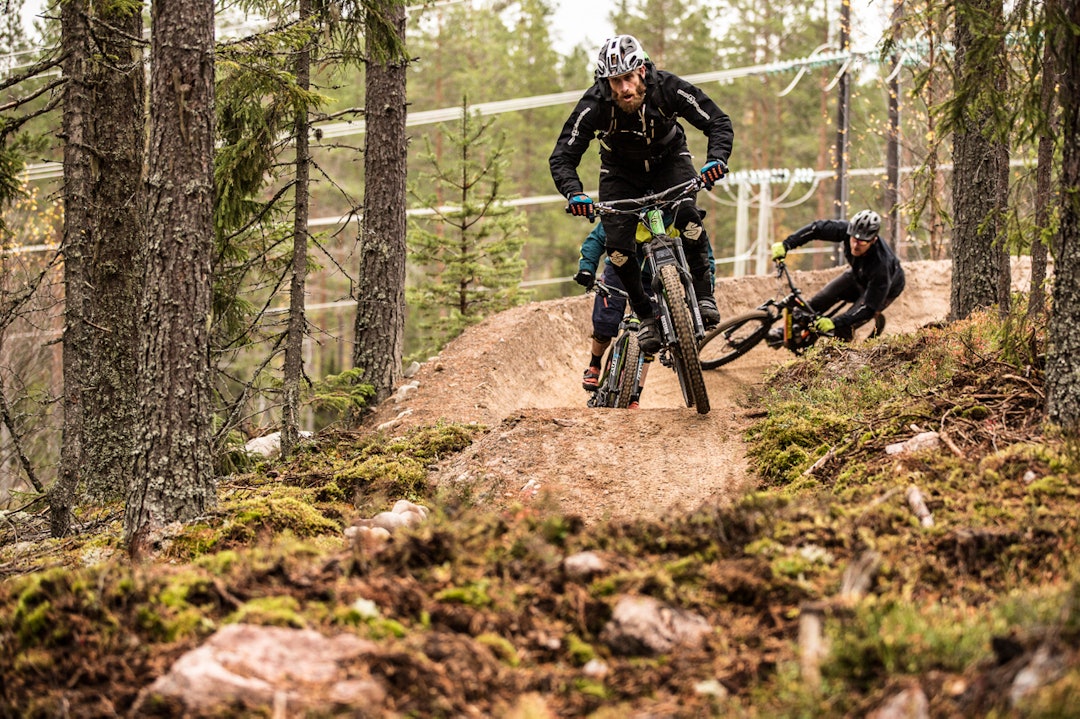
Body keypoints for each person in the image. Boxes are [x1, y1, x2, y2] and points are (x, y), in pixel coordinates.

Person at [549, 34, 734, 355]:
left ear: (642, 72)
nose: (623, 88)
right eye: (614, 82)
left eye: (628, 78)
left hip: (670, 161)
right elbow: (563, 156)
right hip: (620, 174)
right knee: (618, 248)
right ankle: (646, 314)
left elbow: (717, 121)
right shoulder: (594, 104)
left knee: (688, 217)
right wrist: (574, 194)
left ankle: (704, 293)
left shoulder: (668, 88)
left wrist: (717, 159)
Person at [574, 219, 717, 409]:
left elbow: (702, 253)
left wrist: (705, 288)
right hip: (619, 271)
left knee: (651, 337)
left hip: (653, 279)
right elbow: (597, 239)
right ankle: (594, 365)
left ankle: (635, 395)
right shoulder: (628, 211)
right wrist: (587, 268)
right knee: (604, 324)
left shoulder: (677, 214)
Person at [769, 209, 905, 340]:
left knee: (845, 326)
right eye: (853, 239)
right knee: (821, 299)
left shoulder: (881, 266)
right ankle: (785, 331)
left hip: (884, 289)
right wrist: (787, 244)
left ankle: (840, 355)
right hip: (857, 274)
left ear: (873, 240)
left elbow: (868, 308)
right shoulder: (847, 230)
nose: (855, 245)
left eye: (862, 242)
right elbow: (816, 229)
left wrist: (834, 323)